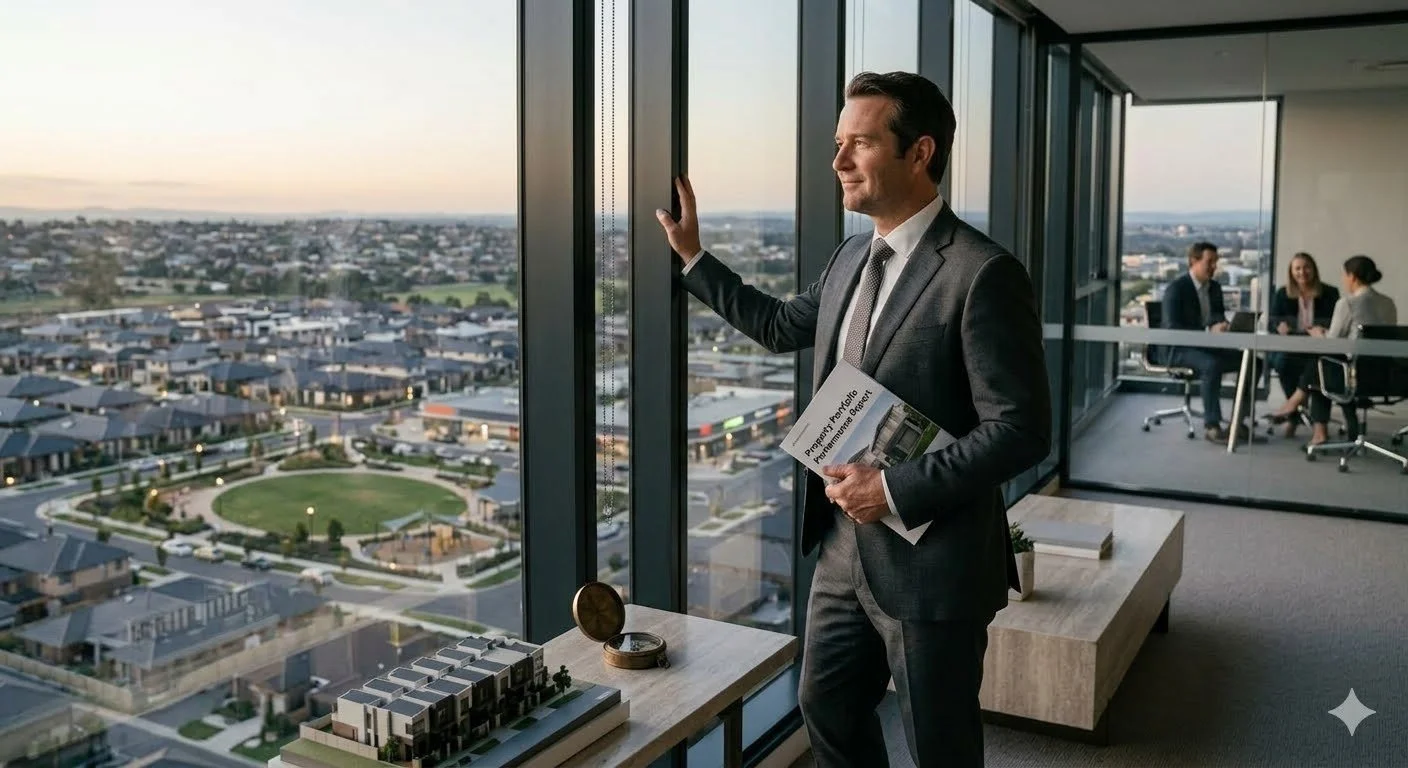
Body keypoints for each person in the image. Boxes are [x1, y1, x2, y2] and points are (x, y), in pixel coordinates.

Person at [656, 71, 1050, 768]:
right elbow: (779, 325)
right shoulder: (848, 259)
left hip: (933, 562)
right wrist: (694, 259)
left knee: (940, 745)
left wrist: (894, 489)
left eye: (858, 144)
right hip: (843, 547)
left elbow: (1019, 428)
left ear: (919, 152)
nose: (837, 161)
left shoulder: (982, 273)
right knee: (828, 709)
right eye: (838, 144)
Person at [1266, 255, 1397, 446]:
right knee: (1321, 366)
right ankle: (1303, 409)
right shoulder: (1388, 302)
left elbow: (1331, 343)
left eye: (1345, 275)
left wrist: (1319, 333)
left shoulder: (1347, 303)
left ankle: (1303, 412)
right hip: (1384, 375)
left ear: (1352, 277)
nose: (1343, 279)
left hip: (1351, 375)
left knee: (1321, 365)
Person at [1160, 242, 1261, 443]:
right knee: (1211, 365)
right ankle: (1212, 426)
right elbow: (1172, 329)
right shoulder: (1176, 289)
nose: (1214, 266)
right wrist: (1207, 331)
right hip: (1178, 349)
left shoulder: (1214, 288)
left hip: (1207, 346)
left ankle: (1238, 423)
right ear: (1193, 261)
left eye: (1216, 262)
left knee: (1253, 362)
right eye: (1210, 262)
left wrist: (1223, 325)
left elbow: (1216, 316)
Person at [1265, 252, 1339, 437]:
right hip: (1292, 346)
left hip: (1318, 347)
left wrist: (1322, 328)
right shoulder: (1283, 293)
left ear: (1314, 270)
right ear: (1291, 272)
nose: (1302, 272)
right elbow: (1272, 321)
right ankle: (1296, 413)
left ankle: (1296, 412)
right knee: (1282, 362)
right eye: (1297, 268)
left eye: (1306, 267)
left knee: (1321, 367)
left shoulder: (1330, 293)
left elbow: (1336, 322)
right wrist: (1278, 326)